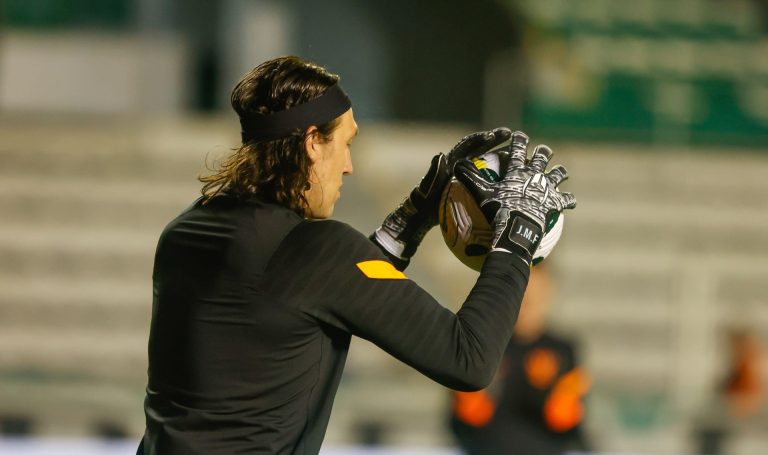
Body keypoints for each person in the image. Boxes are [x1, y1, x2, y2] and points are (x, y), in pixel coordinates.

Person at [136, 55, 576, 454]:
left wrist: (416, 214)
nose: (349, 165)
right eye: (345, 144)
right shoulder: (315, 248)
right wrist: (517, 237)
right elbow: (470, 360)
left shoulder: (186, 231)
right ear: (312, 142)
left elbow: (323, 285)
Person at [450, 264, 590, 455]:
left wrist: (562, 399)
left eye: (535, 297)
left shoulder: (563, 351)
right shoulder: (484, 345)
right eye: (522, 296)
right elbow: (463, 419)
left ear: (548, 296)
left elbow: (567, 424)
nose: (527, 304)